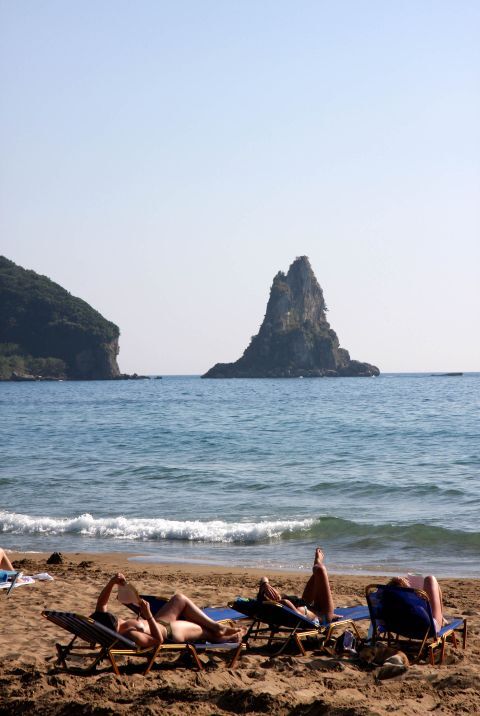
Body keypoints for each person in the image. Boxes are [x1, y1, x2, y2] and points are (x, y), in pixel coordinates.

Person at [92, 573, 245, 648]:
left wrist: (112, 582)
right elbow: (158, 641)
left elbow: (101, 602)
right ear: (113, 625)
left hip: (160, 621)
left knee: (179, 598)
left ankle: (218, 628)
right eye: (116, 619)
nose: (118, 617)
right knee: (203, 630)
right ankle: (223, 638)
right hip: (169, 632)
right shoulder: (131, 635)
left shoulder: (105, 625)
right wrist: (148, 615)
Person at [257, 547, 340, 624]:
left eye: (271, 591)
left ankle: (317, 565)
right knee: (320, 569)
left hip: (306, 603)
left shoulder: (274, 603)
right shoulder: (284, 604)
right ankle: (318, 563)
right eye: (271, 595)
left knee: (318, 573)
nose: (274, 592)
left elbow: (263, 578)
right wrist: (284, 602)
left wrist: (265, 584)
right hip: (324, 615)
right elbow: (301, 618)